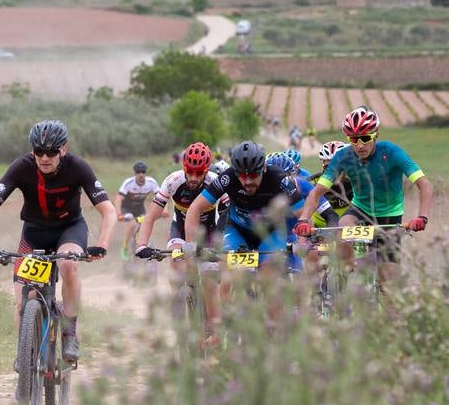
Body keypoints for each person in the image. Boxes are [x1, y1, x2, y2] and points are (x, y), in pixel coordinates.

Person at [0, 120, 116, 363]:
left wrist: (101, 244)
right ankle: (25, 357)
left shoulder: (78, 167)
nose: (44, 157)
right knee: (23, 301)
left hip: (69, 229)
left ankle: (69, 332)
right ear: (33, 151)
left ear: (64, 149)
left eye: (51, 151)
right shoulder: (21, 167)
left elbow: (108, 211)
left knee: (69, 265)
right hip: (34, 232)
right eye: (38, 151)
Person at [294, 107, 432, 290]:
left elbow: (425, 185)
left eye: (365, 138)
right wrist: (304, 219)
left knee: (388, 286)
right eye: (353, 139)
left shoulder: (392, 153)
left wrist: (422, 217)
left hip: (389, 216)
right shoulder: (343, 157)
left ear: (376, 135)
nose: (359, 145)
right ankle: (344, 282)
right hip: (360, 209)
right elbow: (316, 192)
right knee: (343, 228)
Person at [134, 142, 221, 337]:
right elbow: (151, 216)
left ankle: (212, 324)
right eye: (190, 172)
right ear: (184, 168)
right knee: (176, 262)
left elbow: (228, 212)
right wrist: (142, 245)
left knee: (209, 278)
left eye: (199, 173)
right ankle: (179, 306)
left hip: (208, 232)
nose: (193, 177)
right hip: (179, 230)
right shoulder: (173, 181)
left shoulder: (216, 182)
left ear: (207, 171)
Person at [185, 140, 305, 269]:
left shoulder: (278, 178)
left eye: (253, 175)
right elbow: (195, 207)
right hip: (238, 230)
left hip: (271, 233)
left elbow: (303, 213)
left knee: (268, 274)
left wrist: (303, 241)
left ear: (264, 168)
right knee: (231, 275)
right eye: (241, 175)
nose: (247, 181)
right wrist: (191, 243)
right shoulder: (228, 177)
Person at [114, 161, 160, 259]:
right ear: (135, 173)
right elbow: (119, 198)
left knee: (145, 224)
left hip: (139, 209)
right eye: (138, 172)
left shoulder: (151, 182)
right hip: (126, 208)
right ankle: (125, 247)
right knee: (132, 223)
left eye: (143, 172)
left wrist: (164, 211)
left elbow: (160, 197)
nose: (141, 174)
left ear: (145, 173)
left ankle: (140, 246)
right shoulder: (128, 183)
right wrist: (118, 213)